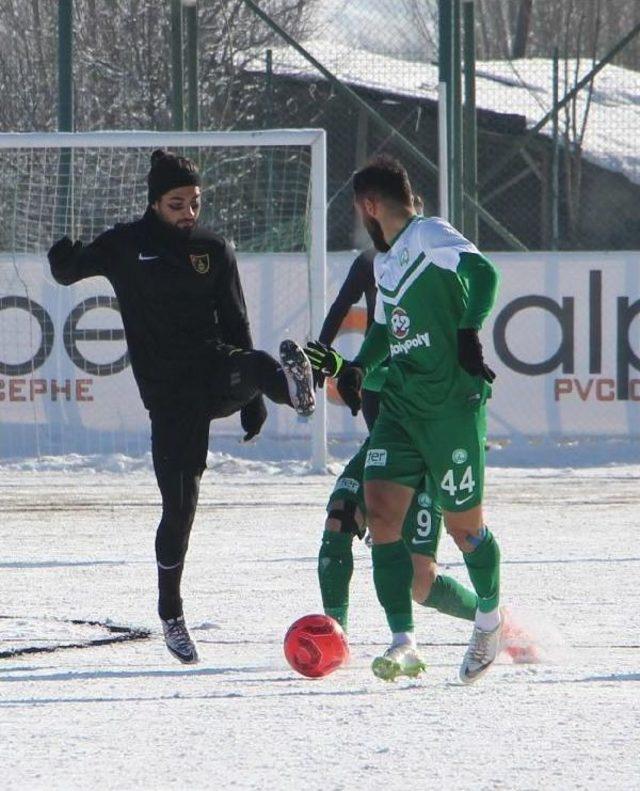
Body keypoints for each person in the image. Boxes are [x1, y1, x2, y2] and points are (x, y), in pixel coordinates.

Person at [47, 149, 315, 665]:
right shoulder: (125, 244)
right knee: (179, 511)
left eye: (195, 202)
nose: (188, 212)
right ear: (154, 203)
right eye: (177, 203)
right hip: (170, 401)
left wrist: (254, 403)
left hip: (216, 370)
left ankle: (294, 391)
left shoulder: (214, 249)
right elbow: (71, 272)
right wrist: (62, 261)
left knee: (258, 361)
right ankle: (171, 613)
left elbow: (236, 324)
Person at [314, 155, 501, 684]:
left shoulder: (428, 234)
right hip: (400, 406)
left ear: (371, 205)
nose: (362, 220)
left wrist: (467, 331)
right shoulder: (385, 261)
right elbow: (383, 331)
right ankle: (404, 642)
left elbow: (484, 273)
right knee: (379, 512)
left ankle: (489, 619)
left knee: (467, 534)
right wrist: (356, 368)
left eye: (360, 212)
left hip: (449, 407)